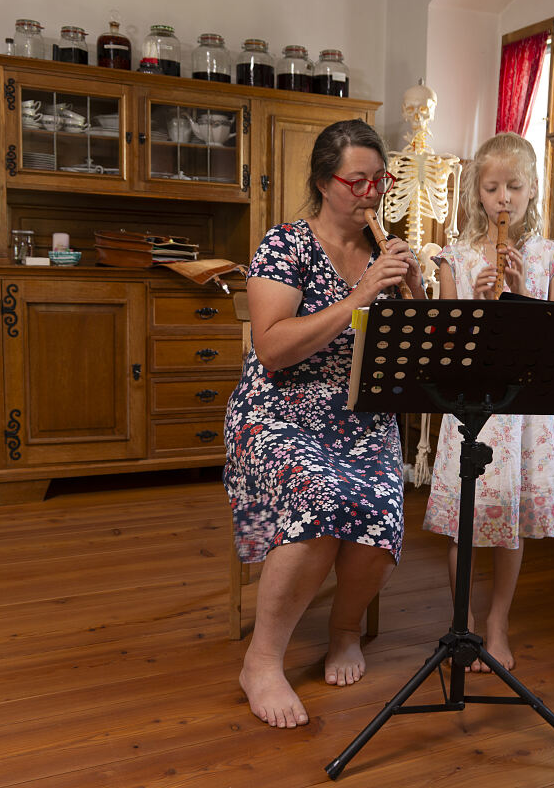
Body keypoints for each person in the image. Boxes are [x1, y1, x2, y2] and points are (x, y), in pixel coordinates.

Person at [224, 119, 423, 728]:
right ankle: (262, 661)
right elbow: (273, 348)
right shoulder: (285, 245)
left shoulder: (385, 254)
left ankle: (345, 631)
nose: (371, 193)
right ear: (322, 182)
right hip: (277, 409)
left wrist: (414, 292)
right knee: (322, 494)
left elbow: (417, 354)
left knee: (383, 504)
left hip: (360, 414)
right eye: (357, 181)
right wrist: (359, 296)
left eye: (380, 181)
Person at [422, 132, 554, 673]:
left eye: (514, 186)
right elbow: (445, 344)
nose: (503, 198)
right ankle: (462, 621)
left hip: (523, 409)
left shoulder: (553, 257)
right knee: (464, 520)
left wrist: (521, 295)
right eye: (491, 188)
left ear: (532, 189)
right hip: (471, 406)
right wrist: (474, 300)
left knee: (510, 519)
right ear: (477, 194)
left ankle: (498, 623)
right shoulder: (455, 258)